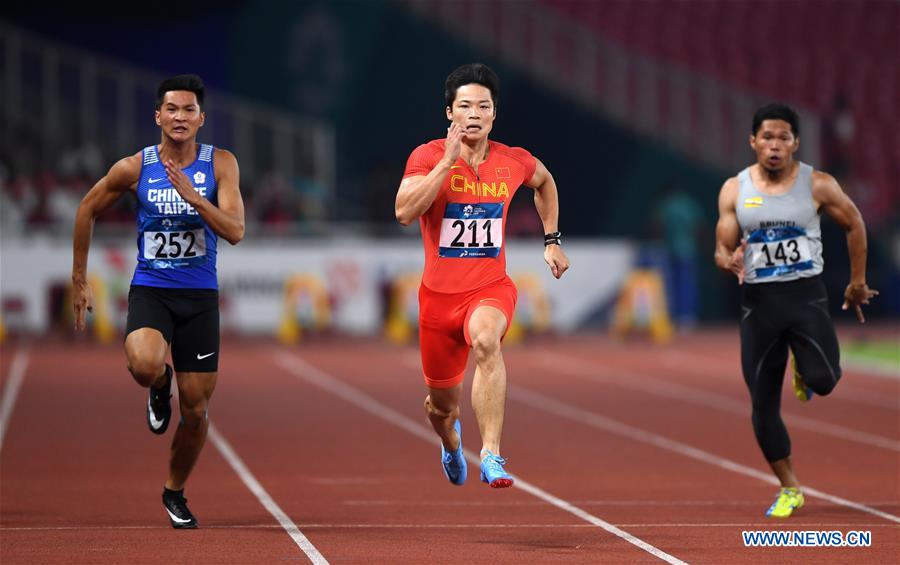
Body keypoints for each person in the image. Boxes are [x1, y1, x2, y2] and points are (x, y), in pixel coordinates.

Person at [71, 74, 245, 528]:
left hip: (200, 297)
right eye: (172, 109)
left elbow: (235, 231)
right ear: (158, 116)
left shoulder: (221, 164)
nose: (180, 117)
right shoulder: (136, 167)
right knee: (143, 364)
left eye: (189, 110)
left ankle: (174, 491)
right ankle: (158, 381)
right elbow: (87, 208)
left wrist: (196, 199)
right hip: (151, 287)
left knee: (196, 410)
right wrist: (79, 280)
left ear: (202, 118)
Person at [395, 63, 570, 488]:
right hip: (438, 300)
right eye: (466, 106)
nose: (474, 113)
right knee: (442, 408)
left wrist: (553, 239)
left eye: (483, 106)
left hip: (490, 287)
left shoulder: (514, 161)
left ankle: (490, 453)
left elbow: (545, 183)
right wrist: (446, 165)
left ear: (494, 114)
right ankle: (451, 443)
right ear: (450, 114)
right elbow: (403, 212)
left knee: (488, 342)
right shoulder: (426, 156)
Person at [714, 103, 877, 518]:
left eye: (783, 137)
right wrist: (726, 259)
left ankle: (805, 370)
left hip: (805, 298)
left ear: (795, 143)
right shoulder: (735, 190)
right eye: (767, 137)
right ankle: (789, 487)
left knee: (825, 380)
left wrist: (856, 282)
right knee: (762, 405)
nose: (774, 145)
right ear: (753, 141)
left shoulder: (817, 184)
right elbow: (721, 247)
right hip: (759, 306)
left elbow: (855, 222)